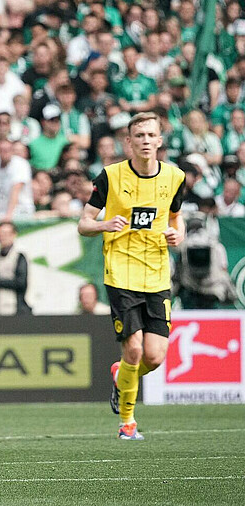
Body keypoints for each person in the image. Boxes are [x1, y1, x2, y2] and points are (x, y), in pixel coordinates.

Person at [78, 112, 185, 441]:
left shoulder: (175, 178)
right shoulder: (110, 177)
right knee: (134, 351)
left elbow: (176, 220)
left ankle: (120, 373)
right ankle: (127, 424)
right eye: (139, 136)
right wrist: (103, 225)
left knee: (154, 357)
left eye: (151, 135)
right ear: (129, 142)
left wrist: (176, 236)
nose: (146, 141)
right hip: (121, 273)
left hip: (156, 275)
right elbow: (84, 223)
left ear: (160, 140)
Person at [0, 221, 31, 315]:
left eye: (5, 234)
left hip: (15, 308)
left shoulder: (19, 255)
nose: (2, 237)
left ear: (14, 235)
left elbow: (21, 282)